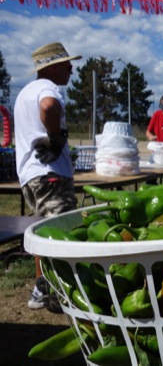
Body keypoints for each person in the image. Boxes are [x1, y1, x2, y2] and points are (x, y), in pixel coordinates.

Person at [14, 42, 82, 311]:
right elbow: (48, 107)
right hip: (50, 175)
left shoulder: (23, 93)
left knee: (44, 234)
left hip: (32, 177)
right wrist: (55, 137)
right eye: (67, 64)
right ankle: (59, 295)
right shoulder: (48, 89)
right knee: (62, 234)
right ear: (52, 67)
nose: (71, 68)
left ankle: (43, 288)